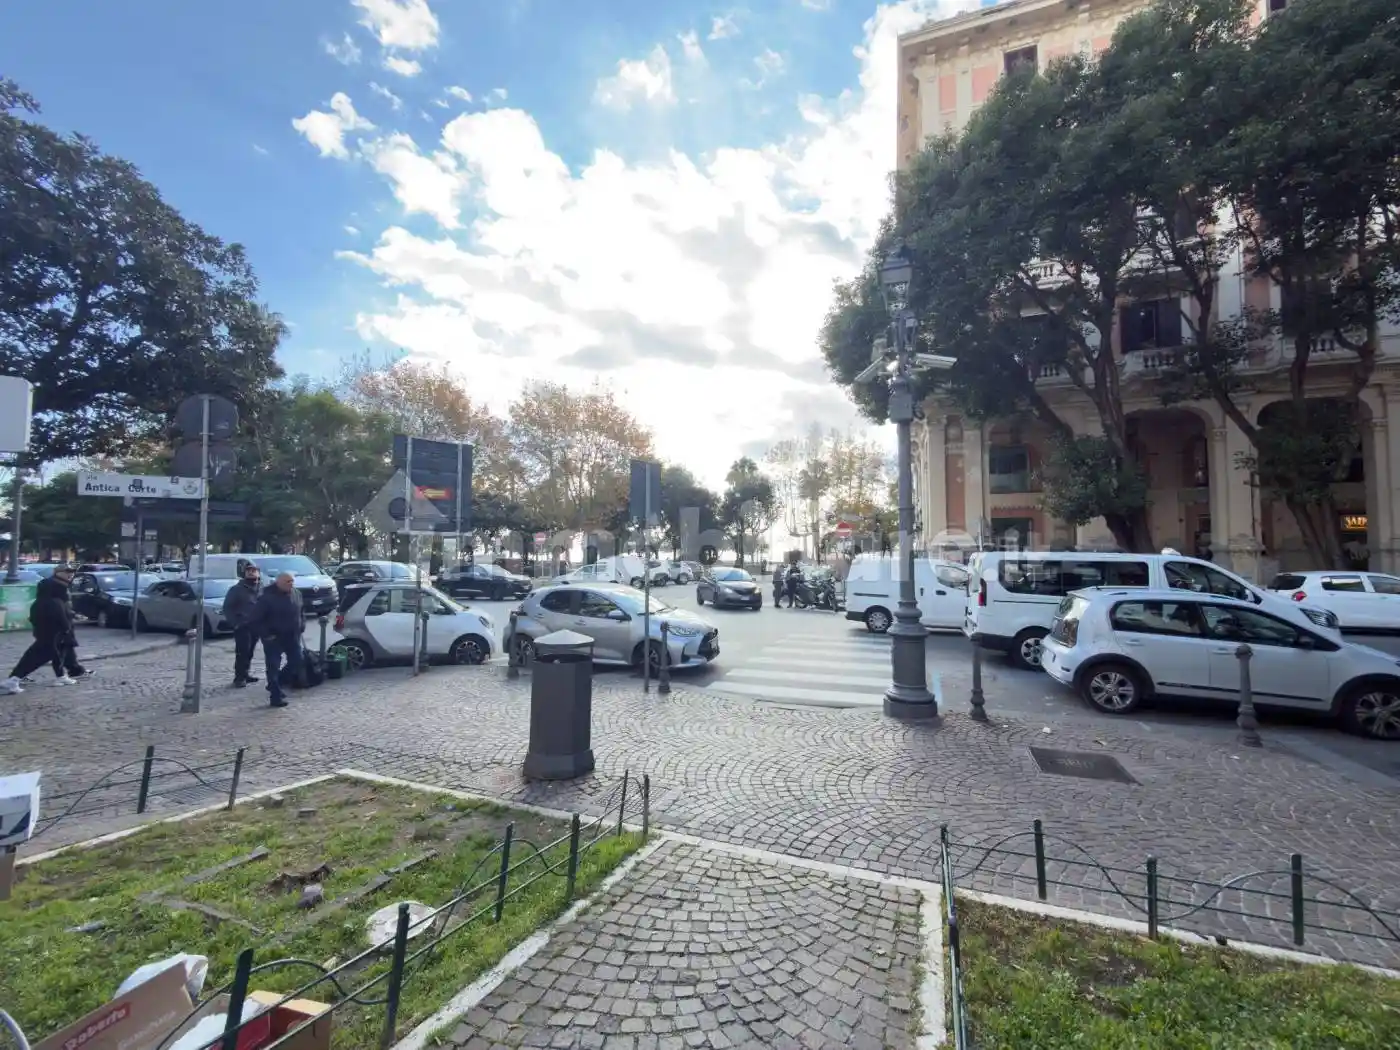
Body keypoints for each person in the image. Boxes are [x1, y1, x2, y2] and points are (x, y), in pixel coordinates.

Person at [2, 565, 90, 693]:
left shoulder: (53, 594)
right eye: (67, 572)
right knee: (40, 655)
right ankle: (14, 679)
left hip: (53, 631)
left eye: (72, 572)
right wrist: (65, 628)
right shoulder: (53, 594)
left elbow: (61, 610)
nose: (70, 574)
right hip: (53, 631)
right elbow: (58, 612)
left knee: (52, 653)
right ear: (58, 574)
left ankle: (61, 676)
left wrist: (71, 617)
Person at [246, 571, 304, 708]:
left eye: (292, 581)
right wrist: (266, 635)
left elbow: (301, 611)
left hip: (292, 636)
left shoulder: (297, 593)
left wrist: (302, 625)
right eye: (287, 582)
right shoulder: (266, 598)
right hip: (274, 638)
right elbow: (254, 620)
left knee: (297, 660)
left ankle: (277, 683)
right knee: (273, 666)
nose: (291, 584)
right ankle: (275, 696)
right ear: (278, 583)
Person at [222, 561, 263, 688]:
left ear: (258, 573)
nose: (251, 572)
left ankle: (246, 673)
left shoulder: (261, 588)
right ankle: (239, 677)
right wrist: (235, 623)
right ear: (245, 573)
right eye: (249, 570)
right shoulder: (236, 589)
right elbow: (227, 608)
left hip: (256, 625)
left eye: (254, 570)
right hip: (242, 625)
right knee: (242, 652)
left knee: (250, 651)